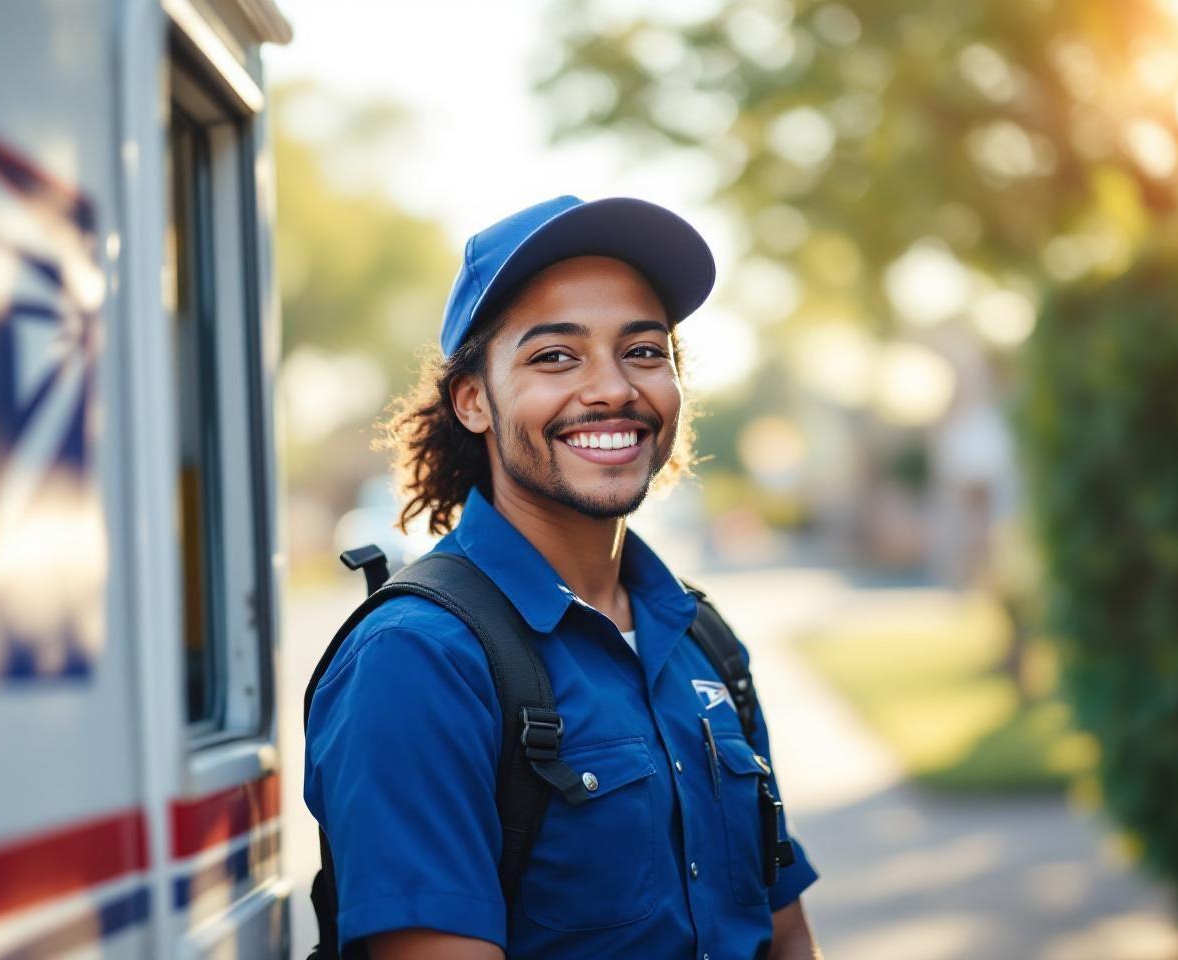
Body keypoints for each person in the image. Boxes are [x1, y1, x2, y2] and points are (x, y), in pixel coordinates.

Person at [304, 196, 822, 960]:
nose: (613, 388)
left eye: (644, 351)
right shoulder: (418, 659)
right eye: (555, 356)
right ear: (474, 400)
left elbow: (784, 935)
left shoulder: (702, 640)